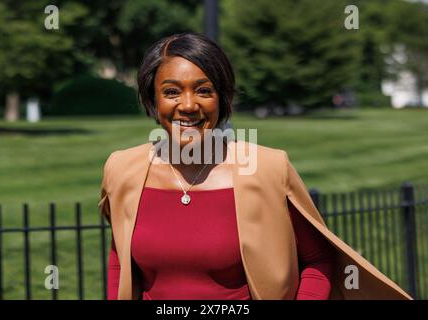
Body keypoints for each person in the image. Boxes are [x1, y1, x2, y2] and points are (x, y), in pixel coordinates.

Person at [98, 32, 412, 300]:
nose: (189, 105)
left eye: (204, 90)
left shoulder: (268, 168)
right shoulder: (123, 169)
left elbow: (317, 260)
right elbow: (120, 262)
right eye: (172, 92)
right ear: (153, 100)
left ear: (222, 98)